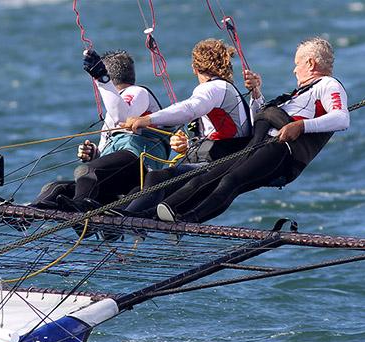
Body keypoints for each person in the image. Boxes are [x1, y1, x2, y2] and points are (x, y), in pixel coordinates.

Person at [140, 37, 349, 224]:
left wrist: (301, 126)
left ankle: (187, 220)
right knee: (210, 176)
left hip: (280, 150)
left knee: (232, 181)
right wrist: (256, 94)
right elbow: (260, 118)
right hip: (259, 144)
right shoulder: (300, 93)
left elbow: (342, 118)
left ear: (310, 63)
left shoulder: (328, 84)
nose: (294, 70)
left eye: (297, 64)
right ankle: (157, 213)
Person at [121, 38, 254, 216]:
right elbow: (213, 133)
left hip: (218, 166)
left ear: (194, 67)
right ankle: (115, 217)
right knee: (141, 187)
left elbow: (191, 108)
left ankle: (126, 220)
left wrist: (146, 120)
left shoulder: (215, 88)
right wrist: (186, 145)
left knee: (157, 178)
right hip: (213, 163)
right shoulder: (224, 91)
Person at [30, 49, 170, 211]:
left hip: (142, 168)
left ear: (108, 75)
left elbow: (123, 118)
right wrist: (94, 153)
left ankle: (80, 210)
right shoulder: (114, 109)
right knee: (56, 187)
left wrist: (101, 78)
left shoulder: (137, 92)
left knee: (87, 170)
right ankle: (29, 213)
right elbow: (108, 148)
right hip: (121, 176)